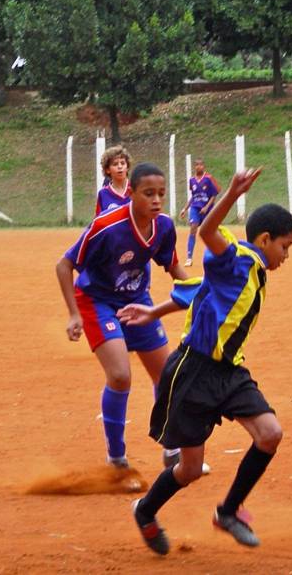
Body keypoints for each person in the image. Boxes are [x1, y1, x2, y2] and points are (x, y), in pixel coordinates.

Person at [124, 169, 292, 555]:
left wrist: (154, 313)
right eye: (285, 247)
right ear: (265, 240)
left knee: (269, 434)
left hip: (229, 372)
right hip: (193, 370)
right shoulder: (235, 257)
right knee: (188, 469)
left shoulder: (253, 273)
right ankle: (146, 511)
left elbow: (195, 291)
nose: (286, 256)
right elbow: (207, 232)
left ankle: (229, 511)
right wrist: (233, 193)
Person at [56, 163, 190, 471]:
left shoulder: (164, 226)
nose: (156, 200)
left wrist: (203, 288)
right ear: (130, 193)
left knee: (166, 375)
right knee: (119, 375)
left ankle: (171, 450)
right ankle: (116, 458)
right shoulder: (107, 226)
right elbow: (64, 265)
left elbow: (173, 267)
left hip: (137, 300)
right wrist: (73, 315)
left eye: (161, 194)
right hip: (97, 300)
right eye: (148, 193)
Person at [179, 159, 221, 267]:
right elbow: (193, 197)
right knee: (193, 229)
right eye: (196, 165)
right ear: (194, 167)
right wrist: (185, 209)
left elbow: (214, 195)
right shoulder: (192, 180)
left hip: (207, 209)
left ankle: (218, 256)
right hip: (195, 208)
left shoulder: (208, 178)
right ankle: (189, 258)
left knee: (211, 232)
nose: (198, 167)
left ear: (204, 166)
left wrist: (207, 207)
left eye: (200, 164)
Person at [95, 146, 132, 215]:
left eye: (123, 163)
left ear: (127, 167)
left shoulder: (136, 189)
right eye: (115, 164)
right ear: (107, 170)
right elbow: (99, 221)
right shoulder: (103, 194)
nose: (120, 166)